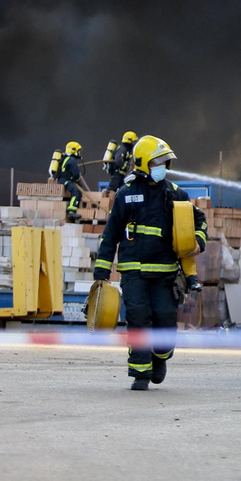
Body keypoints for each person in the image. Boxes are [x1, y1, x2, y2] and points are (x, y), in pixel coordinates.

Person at [92, 134, 206, 390]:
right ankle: (140, 374)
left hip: (165, 274)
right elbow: (110, 234)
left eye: (166, 163)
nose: (162, 168)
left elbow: (200, 221)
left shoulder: (176, 194)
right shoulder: (126, 194)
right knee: (138, 318)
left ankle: (160, 357)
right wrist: (101, 269)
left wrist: (198, 241)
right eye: (158, 163)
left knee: (165, 319)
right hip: (133, 273)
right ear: (144, 164)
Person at [52, 141, 88, 223]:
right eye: (78, 151)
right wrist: (78, 182)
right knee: (76, 192)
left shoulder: (65, 157)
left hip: (62, 179)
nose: (79, 153)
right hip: (64, 180)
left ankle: (74, 209)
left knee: (77, 191)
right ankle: (71, 211)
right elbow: (76, 175)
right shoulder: (72, 160)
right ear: (73, 150)